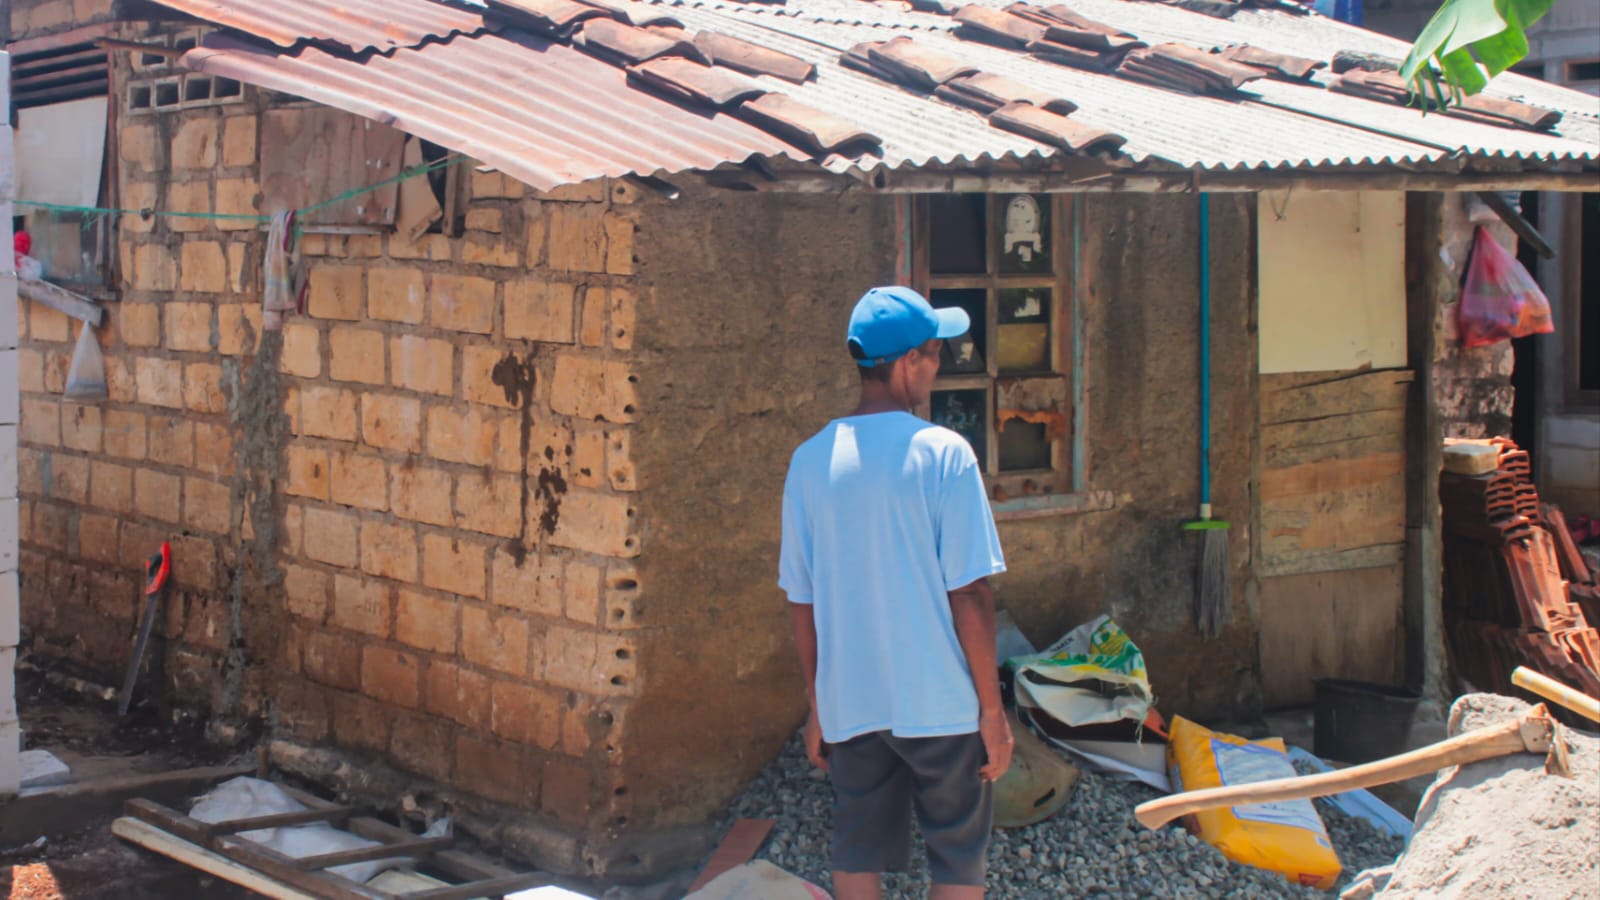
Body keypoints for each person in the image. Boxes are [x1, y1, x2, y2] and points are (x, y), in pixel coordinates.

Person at [779, 286, 1014, 900]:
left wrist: (817, 704)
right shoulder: (943, 455)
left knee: (857, 853)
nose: (938, 368)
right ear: (908, 362)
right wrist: (992, 713)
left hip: (852, 703)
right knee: (958, 862)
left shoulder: (809, 462)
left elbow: (801, 603)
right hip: (939, 703)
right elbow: (970, 593)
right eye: (936, 354)